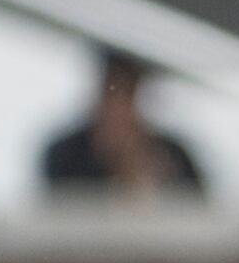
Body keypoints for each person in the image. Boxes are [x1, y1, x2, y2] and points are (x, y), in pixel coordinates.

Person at [38, 51, 205, 203]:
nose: (119, 110)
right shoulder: (66, 155)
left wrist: (141, 168)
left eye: (128, 95)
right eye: (113, 95)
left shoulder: (173, 155)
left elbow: (196, 212)